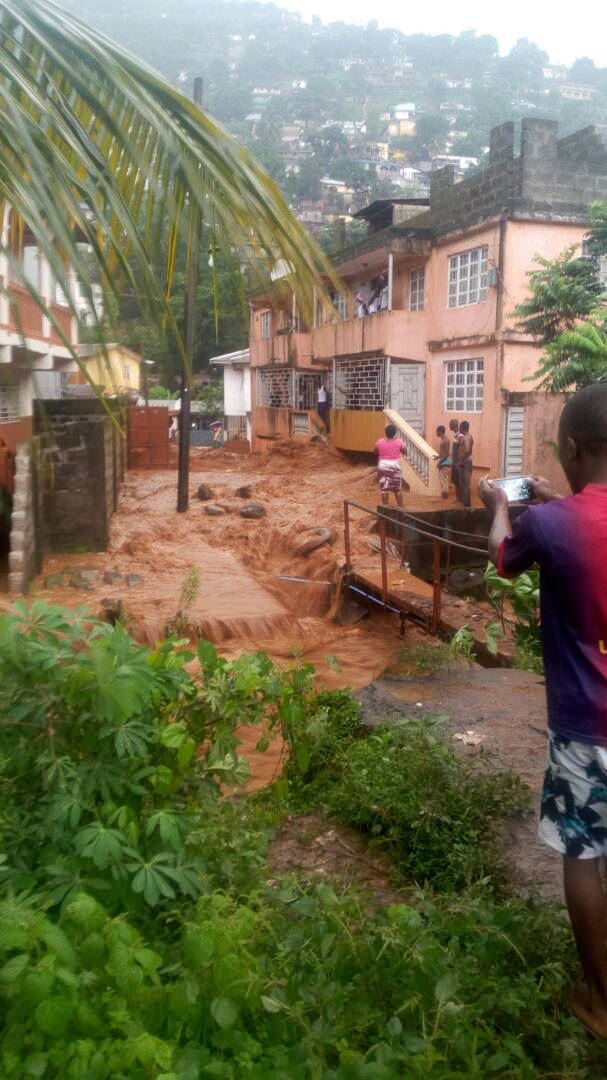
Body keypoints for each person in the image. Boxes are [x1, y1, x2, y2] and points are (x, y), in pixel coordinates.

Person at [480, 382, 607, 1039]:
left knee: (581, 855)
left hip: (587, 729)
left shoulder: (548, 525)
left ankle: (600, 1001)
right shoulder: (566, 515)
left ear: (572, 448)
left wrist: (502, 505)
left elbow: (503, 557)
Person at [375, 423, 407, 507]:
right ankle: (401, 509)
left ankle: (385, 509)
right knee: (397, 489)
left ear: (385, 433)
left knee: (384, 489)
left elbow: (375, 451)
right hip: (394, 466)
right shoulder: (399, 441)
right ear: (395, 433)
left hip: (383, 465)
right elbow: (405, 452)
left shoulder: (380, 441)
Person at [458, 421, 473, 508]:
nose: (459, 429)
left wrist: (461, 461)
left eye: (460, 427)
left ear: (462, 428)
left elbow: (467, 450)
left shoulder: (467, 437)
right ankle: (465, 505)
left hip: (465, 463)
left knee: (466, 485)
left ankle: (467, 506)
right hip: (465, 462)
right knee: (463, 484)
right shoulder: (468, 437)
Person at [436, 425, 451, 499]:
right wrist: (438, 457)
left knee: (444, 480)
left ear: (440, 431)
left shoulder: (446, 440)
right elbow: (443, 452)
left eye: (437, 431)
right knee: (443, 480)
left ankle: (445, 497)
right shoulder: (443, 440)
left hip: (445, 461)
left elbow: (447, 454)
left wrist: (440, 462)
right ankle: (444, 496)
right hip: (443, 460)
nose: (436, 433)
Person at [449, 418, 462, 496]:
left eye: (450, 424)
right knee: (455, 481)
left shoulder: (459, 435)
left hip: (457, 462)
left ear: (453, 425)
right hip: (455, 462)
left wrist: (459, 461)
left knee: (458, 481)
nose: (449, 426)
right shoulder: (456, 435)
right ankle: (458, 498)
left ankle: (459, 498)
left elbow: (462, 448)